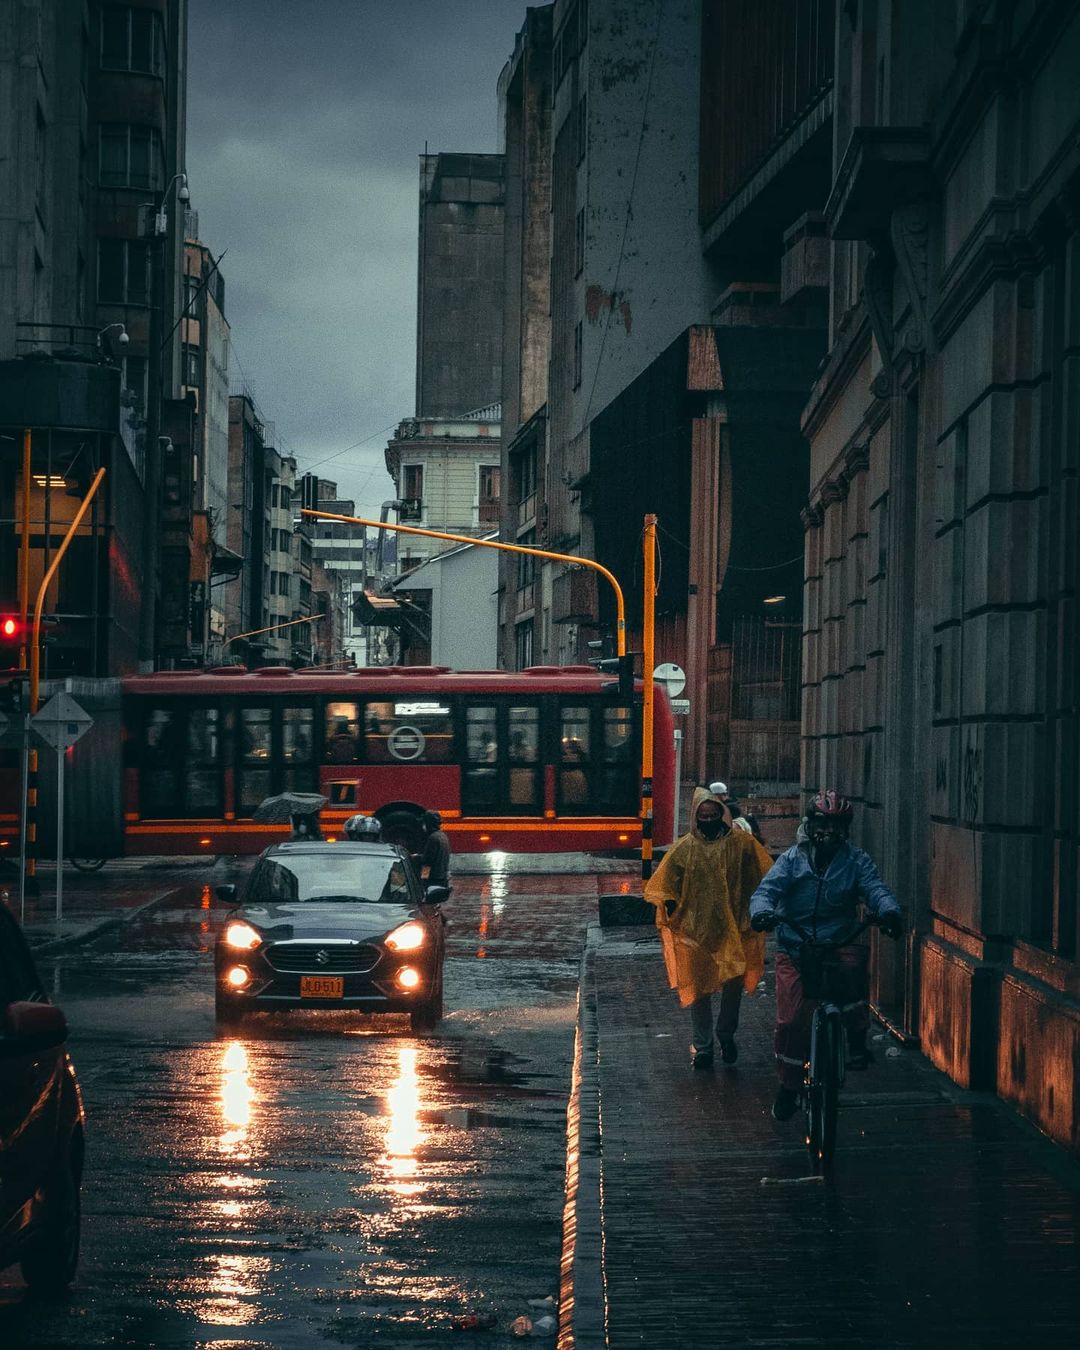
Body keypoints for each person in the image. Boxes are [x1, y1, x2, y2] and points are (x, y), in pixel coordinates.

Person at [749, 789, 903, 1121]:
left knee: (853, 977)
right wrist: (762, 913)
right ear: (811, 824)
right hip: (797, 945)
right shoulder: (792, 860)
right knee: (792, 1020)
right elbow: (767, 891)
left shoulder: (856, 860)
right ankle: (788, 1086)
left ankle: (856, 1039)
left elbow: (874, 888)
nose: (829, 833)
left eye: (838, 826)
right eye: (823, 824)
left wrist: (889, 912)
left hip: (839, 940)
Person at [644, 786, 773, 1070]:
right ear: (695, 817)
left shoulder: (741, 845)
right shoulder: (685, 849)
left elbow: (766, 874)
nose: (708, 820)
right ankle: (703, 1047)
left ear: (722, 814)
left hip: (734, 930)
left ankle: (726, 1034)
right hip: (695, 933)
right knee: (699, 991)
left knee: (733, 986)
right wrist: (669, 903)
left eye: (713, 814)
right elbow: (664, 883)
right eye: (703, 816)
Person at [419, 809, 451, 888]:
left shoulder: (433, 838)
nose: (423, 825)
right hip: (442, 878)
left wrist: (423, 879)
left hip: (433, 879)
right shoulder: (443, 836)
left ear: (429, 824)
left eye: (424, 823)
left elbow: (427, 861)